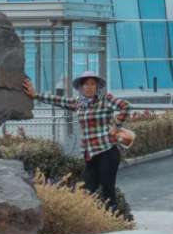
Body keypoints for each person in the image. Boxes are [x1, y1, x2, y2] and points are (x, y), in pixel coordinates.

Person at [22, 70, 130, 211]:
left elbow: (125, 106)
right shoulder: (79, 103)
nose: (89, 87)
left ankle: (114, 218)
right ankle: (91, 219)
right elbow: (58, 100)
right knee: (86, 190)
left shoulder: (106, 100)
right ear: (80, 87)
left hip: (107, 152)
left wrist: (116, 125)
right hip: (90, 154)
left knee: (107, 190)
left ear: (97, 87)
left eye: (92, 84)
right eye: (86, 84)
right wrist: (36, 95)